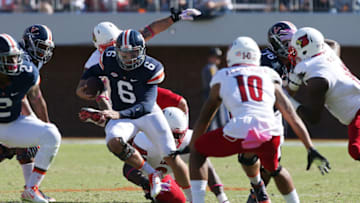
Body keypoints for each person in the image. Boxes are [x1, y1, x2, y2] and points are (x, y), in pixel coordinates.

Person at [188, 36, 330, 203]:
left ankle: (198, 200)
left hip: (240, 129)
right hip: (271, 131)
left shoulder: (222, 75)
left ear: (231, 56)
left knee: (198, 152)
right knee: (275, 169)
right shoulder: (269, 74)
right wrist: (310, 147)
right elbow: (290, 114)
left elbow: (205, 118)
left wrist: (192, 146)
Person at [78, 29, 192, 200]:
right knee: (113, 142)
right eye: (123, 54)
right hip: (123, 115)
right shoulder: (109, 58)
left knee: (171, 156)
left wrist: (118, 114)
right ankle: (151, 174)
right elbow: (93, 71)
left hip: (148, 115)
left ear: (142, 51)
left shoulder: (152, 68)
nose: (127, 58)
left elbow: (145, 106)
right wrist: (83, 85)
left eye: (132, 54)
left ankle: (194, 198)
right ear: (116, 51)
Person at [240, 21, 338, 203]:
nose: (291, 47)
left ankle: (255, 197)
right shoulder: (266, 60)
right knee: (250, 157)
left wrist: (317, 43)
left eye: (293, 43)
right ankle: (257, 190)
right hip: (252, 111)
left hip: (275, 113)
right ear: (276, 43)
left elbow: (332, 44)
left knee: (272, 164)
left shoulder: (296, 57)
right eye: (287, 43)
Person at [77, 7, 201, 111]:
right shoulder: (96, 60)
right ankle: (108, 120)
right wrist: (95, 92)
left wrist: (174, 18)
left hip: (143, 89)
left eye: (118, 42)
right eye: (112, 44)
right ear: (101, 47)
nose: (119, 47)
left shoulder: (126, 41)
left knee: (180, 104)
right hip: (121, 99)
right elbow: (80, 89)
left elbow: (151, 30)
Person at [0, 33, 61, 203]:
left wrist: (40, 124)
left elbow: (34, 98)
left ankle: (31, 189)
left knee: (51, 134)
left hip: (12, 122)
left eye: (14, 58)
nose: (13, 64)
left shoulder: (27, 71)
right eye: (7, 59)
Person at [123, 105, 229, 202]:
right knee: (176, 200)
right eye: (168, 134)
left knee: (201, 162)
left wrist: (222, 198)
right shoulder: (144, 140)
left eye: (176, 135)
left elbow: (207, 168)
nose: (172, 140)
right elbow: (128, 169)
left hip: (179, 176)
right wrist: (147, 183)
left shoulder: (190, 140)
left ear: (184, 132)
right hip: (157, 178)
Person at [286, 27, 360, 162]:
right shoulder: (326, 51)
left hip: (357, 112)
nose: (293, 53)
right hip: (355, 112)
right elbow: (333, 44)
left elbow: (313, 118)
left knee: (356, 150)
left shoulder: (318, 79)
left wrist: (287, 100)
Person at [201, 47, 229, 131]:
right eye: (215, 57)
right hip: (212, 95)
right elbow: (214, 82)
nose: (217, 59)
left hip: (210, 95)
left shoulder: (211, 68)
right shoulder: (211, 68)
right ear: (211, 57)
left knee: (212, 118)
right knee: (216, 117)